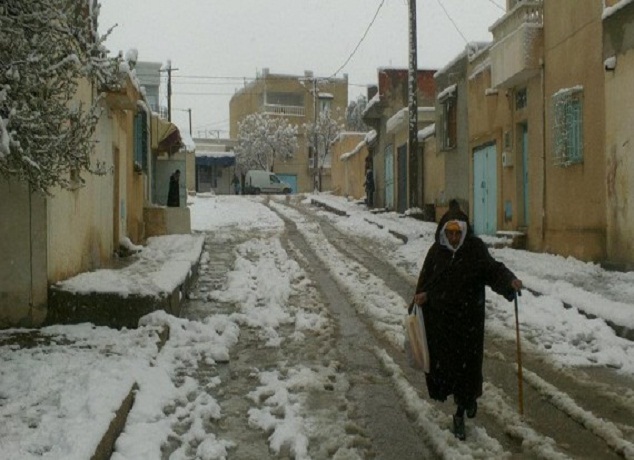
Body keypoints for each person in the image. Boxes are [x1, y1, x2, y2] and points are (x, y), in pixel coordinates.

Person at [412, 199, 522, 441]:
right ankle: (462, 403)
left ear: (463, 231)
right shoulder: (436, 253)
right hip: (441, 324)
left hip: (468, 324)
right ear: (443, 232)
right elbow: (425, 282)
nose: (453, 237)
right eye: (449, 233)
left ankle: (462, 410)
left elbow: (493, 270)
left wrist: (509, 283)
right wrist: (420, 299)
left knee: (467, 371)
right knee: (447, 369)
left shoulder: (474, 250)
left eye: (457, 232)